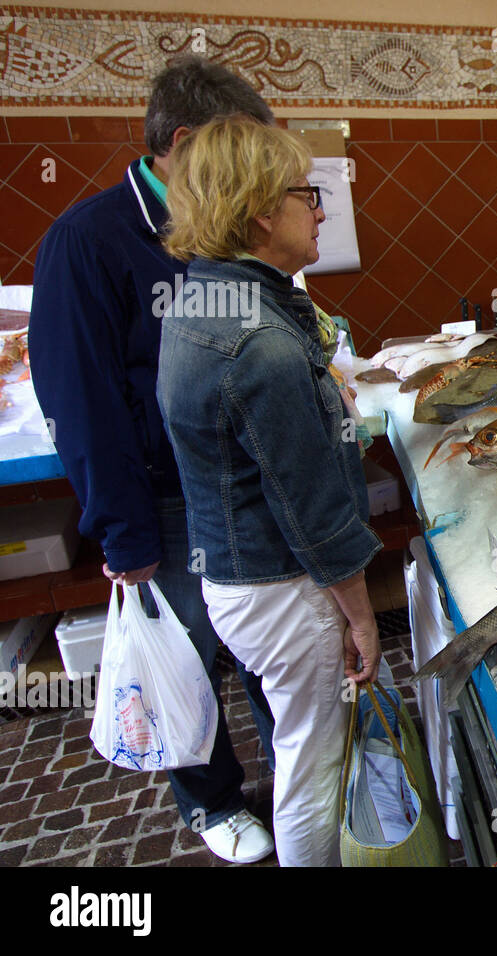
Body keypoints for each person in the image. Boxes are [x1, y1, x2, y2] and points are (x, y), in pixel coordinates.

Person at [28, 56, 278, 864]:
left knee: (264, 650)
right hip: (166, 503)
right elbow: (82, 402)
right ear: (182, 143)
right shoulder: (88, 242)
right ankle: (208, 803)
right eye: (232, 149)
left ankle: (300, 768)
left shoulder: (228, 228)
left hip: (248, 486)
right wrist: (122, 535)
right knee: (190, 660)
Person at [157, 117, 383, 867]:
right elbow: (309, 510)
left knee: (297, 739)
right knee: (311, 764)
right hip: (281, 588)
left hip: (235, 575)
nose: (318, 211)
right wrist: (362, 617)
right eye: (305, 195)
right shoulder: (258, 341)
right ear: (260, 210)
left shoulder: (204, 298)